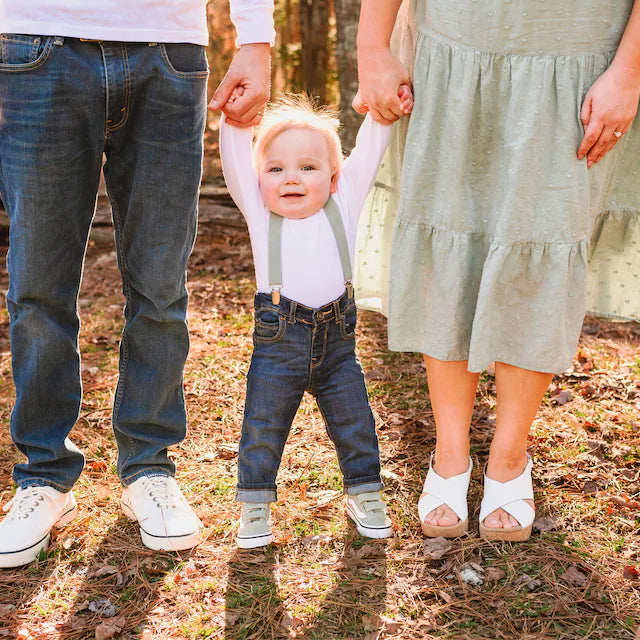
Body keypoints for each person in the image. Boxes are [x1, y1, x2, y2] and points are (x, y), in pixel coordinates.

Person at [0, 0, 274, 567]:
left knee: (160, 288)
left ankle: (149, 466)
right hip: (32, 44)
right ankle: (43, 477)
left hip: (167, 50)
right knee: (38, 286)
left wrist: (256, 38)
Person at [354, 0, 640, 540]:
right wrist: (372, 44)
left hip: (578, 55)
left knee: (543, 237)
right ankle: (450, 453)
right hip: (451, 45)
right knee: (448, 231)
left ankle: (510, 458)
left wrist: (629, 68)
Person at [219, 91, 412, 548]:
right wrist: (235, 121)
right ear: (258, 178)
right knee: (263, 425)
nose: (292, 178)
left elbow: (369, 150)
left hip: (338, 348)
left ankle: (365, 493)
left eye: (308, 167)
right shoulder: (260, 214)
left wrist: (380, 112)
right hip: (278, 346)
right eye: (276, 168)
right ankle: (255, 505)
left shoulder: (342, 205)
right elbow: (234, 158)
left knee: (355, 422)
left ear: (333, 176)